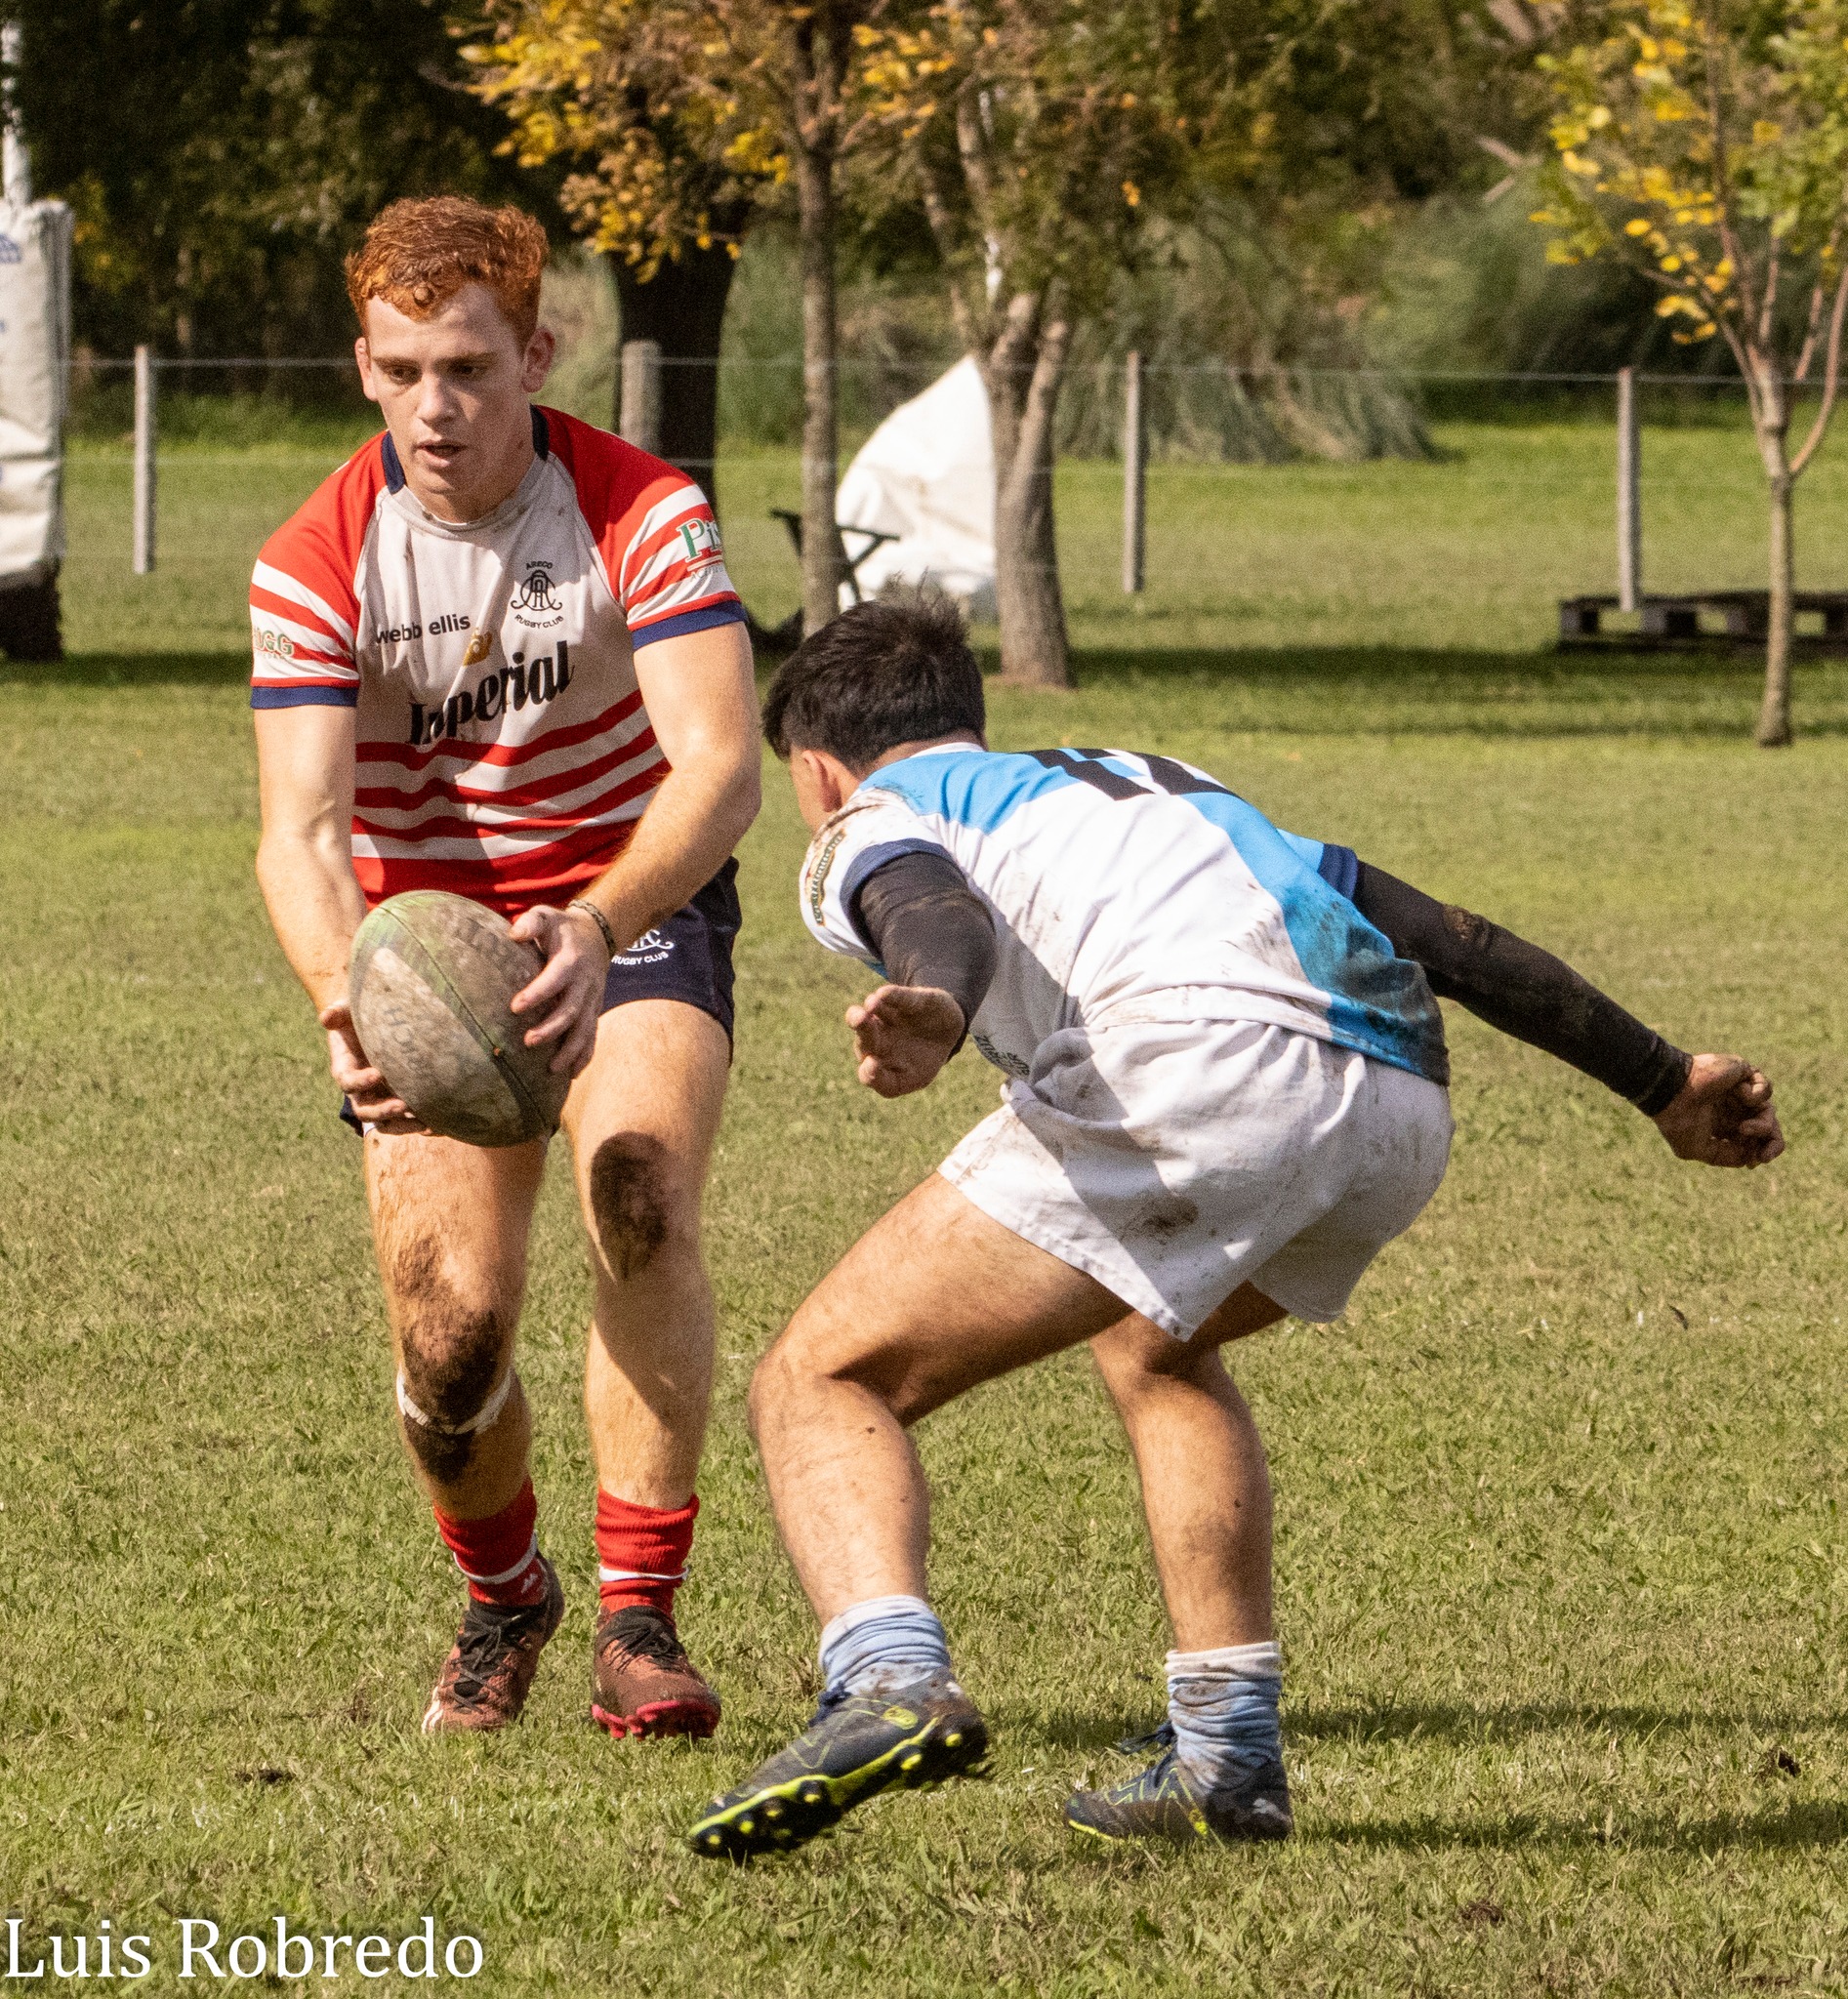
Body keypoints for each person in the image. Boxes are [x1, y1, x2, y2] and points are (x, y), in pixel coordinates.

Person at [686, 593, 1784, 1857]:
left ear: (817, 772)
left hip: (1193, 1068)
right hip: (1396, 1099)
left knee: (819, 1377)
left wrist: (933, 1000)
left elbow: (932, 908)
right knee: (1153, 1346)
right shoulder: (1159, 787)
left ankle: (885, 1679)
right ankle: (1227, 1756)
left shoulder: (869, 820)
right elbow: (1449, 940)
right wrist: (1661, 1081)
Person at [250, 197, 760, 1739]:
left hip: (629, 910)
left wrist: (597, 927)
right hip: (421, 957)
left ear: (537, 351)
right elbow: (302, 836)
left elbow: (721, 768)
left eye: (468, 365)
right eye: (401, 370)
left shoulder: (640, 511)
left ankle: (636, 1620)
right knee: (449, 1337)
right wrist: (348, 998)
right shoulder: (312, 561)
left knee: (638, 1190)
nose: (436, 404)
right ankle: (502, 1598)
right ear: (362, 368)